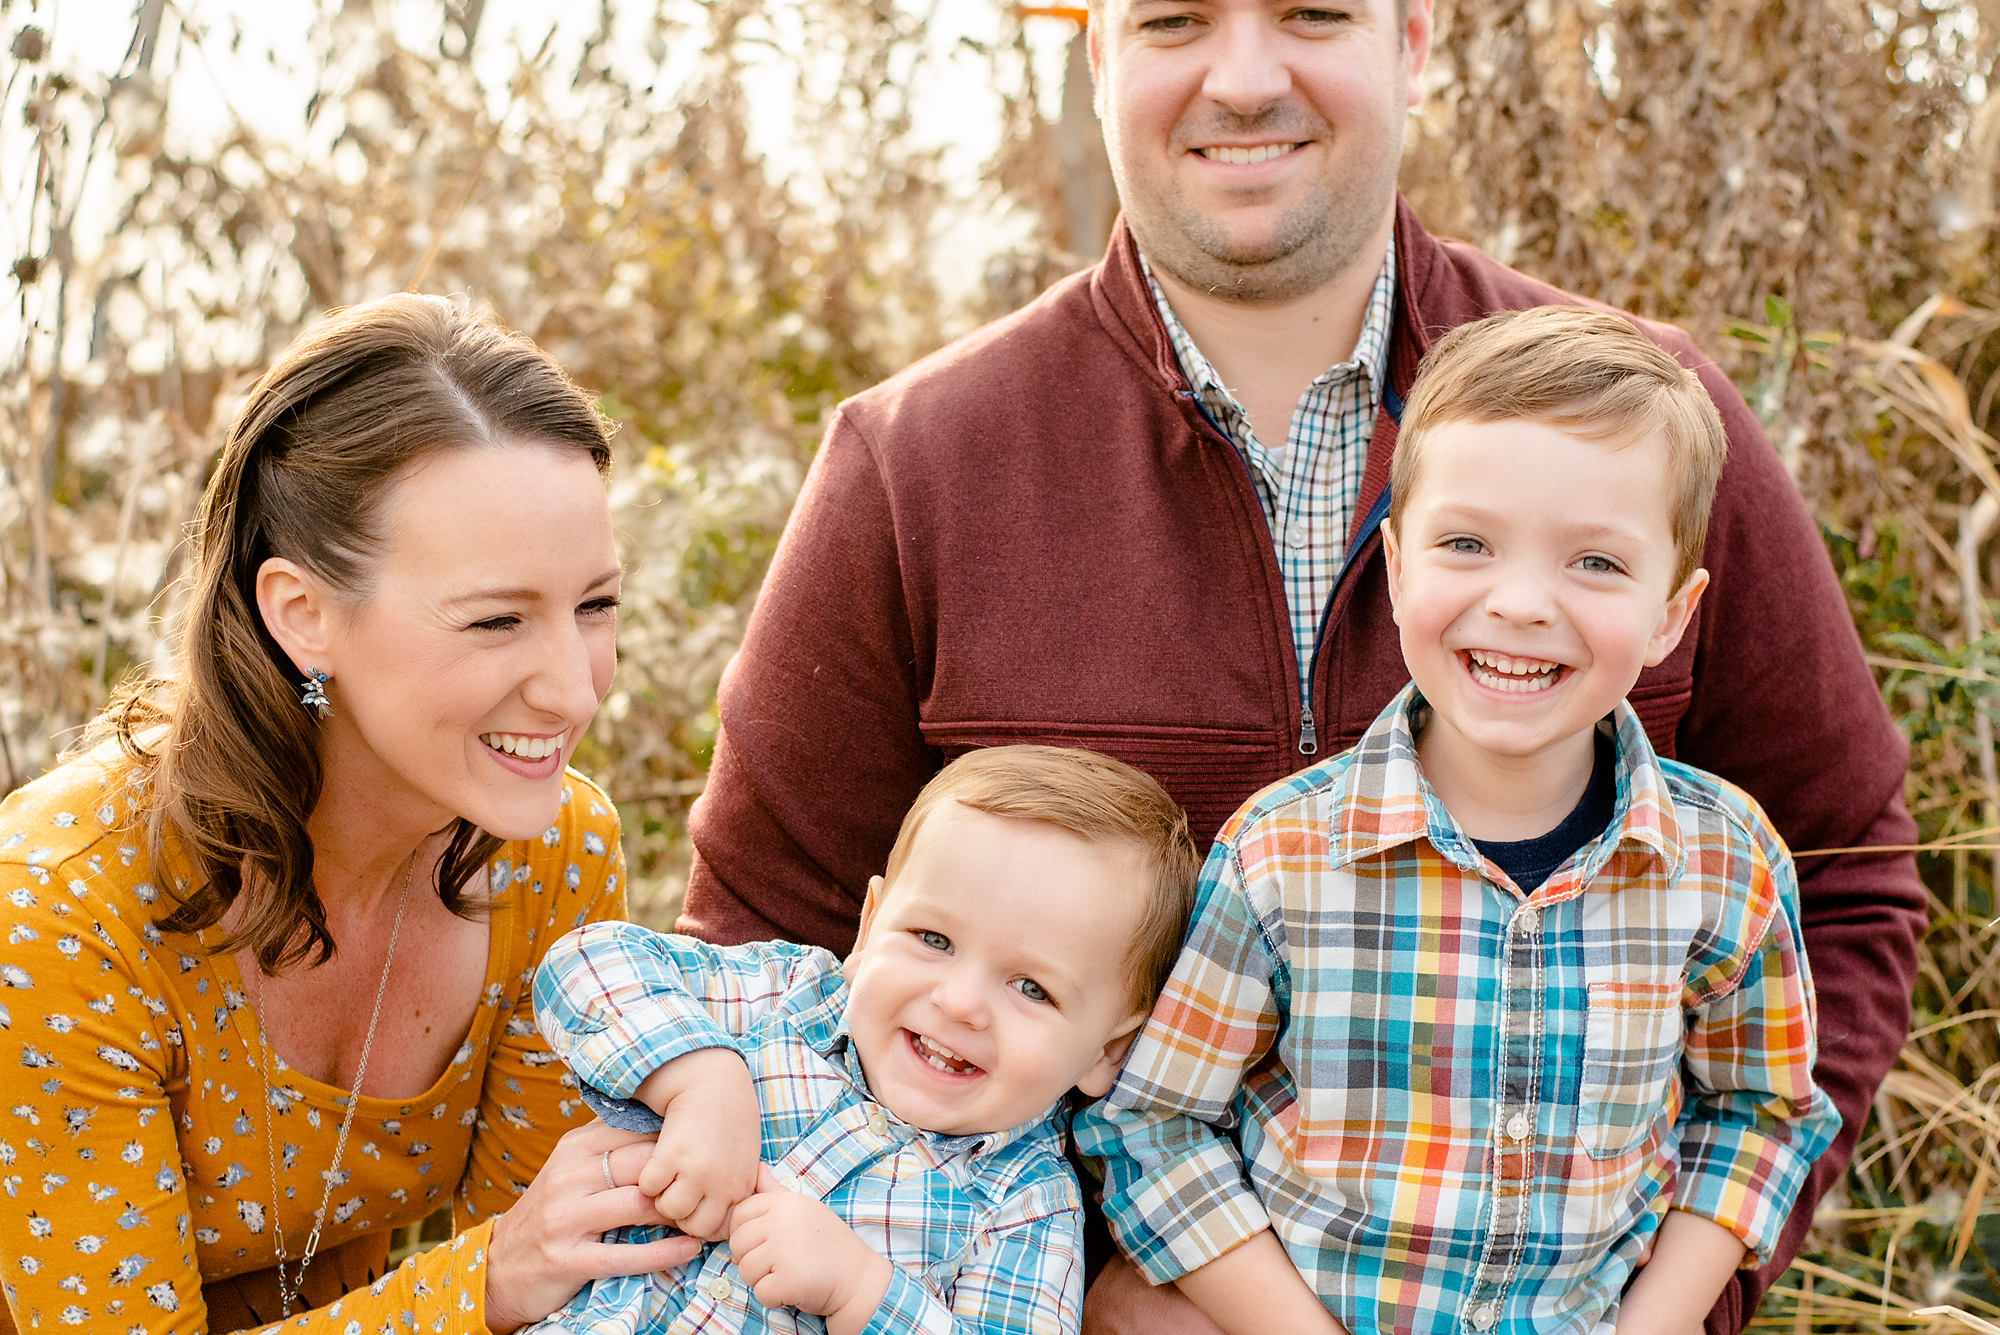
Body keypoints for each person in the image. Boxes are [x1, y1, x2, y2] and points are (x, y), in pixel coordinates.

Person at [673, 0, 1925, 1327]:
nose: (1245, 77)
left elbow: (1846, 885)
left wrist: (1690, 1300)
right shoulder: (916, 463)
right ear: (1100, 54)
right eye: (1174, 19)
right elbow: (763, 952)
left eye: (1314, 12)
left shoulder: (1644, 435)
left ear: (1416, 43)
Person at [1076, 307, 1842, 1335]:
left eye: (1596, 563)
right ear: (1395, 569)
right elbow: (1154, 1126)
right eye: (1467, 543)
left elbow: (1758, 1114)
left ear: (1671, 611)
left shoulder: (1722, 865)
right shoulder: (1281, 857)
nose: (1520, 602)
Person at [0, 295, 702, 1335]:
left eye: (594, 605)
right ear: (304, 616)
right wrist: (481, 1286)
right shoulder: (58, 910)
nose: (575, 689)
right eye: (497, 618)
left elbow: (569, 1290)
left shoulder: (548, 850)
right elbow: (511, 1276)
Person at [525, 746, 1201, 1335]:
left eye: (1031, 987)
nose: (959, 1002)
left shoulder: (1023, 1205)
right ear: (872, 924)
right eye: (933, 939)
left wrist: (860, 1290)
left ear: (1106, 1051)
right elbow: (584, 963)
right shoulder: (788, 997)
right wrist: (699, 1077)